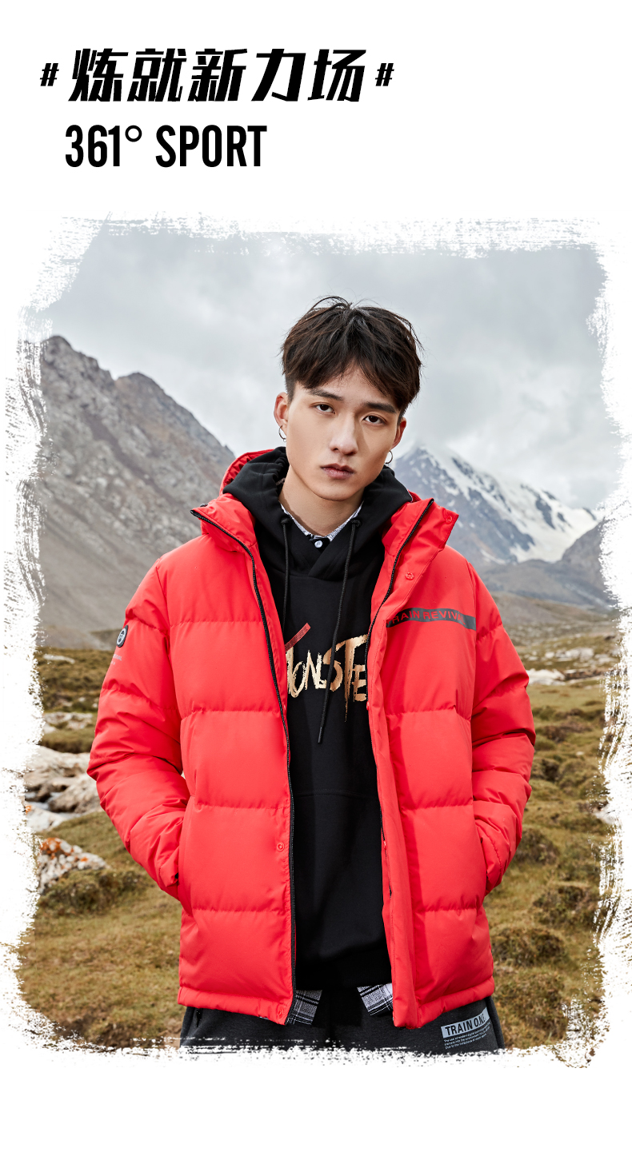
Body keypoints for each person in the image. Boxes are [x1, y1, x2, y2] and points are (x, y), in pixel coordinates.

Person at [89, 297, 535, 1055]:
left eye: (372, 417)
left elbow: (503, 731)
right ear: (283, 410)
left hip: (422, 982)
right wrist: (191, 859)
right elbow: (126, 748)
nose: (344, 439)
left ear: (397, 433)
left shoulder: (450, 582)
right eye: (324, 407)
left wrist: (475, 847)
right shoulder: (179, 583)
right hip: (247, 987)